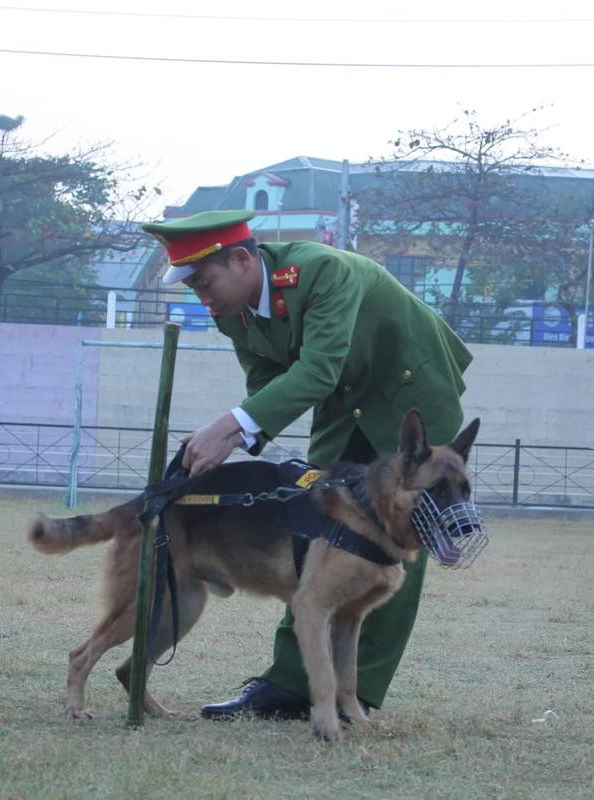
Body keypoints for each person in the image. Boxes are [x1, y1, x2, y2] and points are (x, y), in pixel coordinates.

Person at [140, 209, 472, 720]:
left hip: (410, 389)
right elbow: (265, 382)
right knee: (312, 527)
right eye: (194, 289)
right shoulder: (231, 310)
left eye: (205, 283)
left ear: (244, 260)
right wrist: (238, 435)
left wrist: (228, 426)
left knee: (402, 537)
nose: (202, 298)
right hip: (343, 399)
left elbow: (317, 368)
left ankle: (354, 691)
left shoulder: (321, 271)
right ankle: (290, 686)